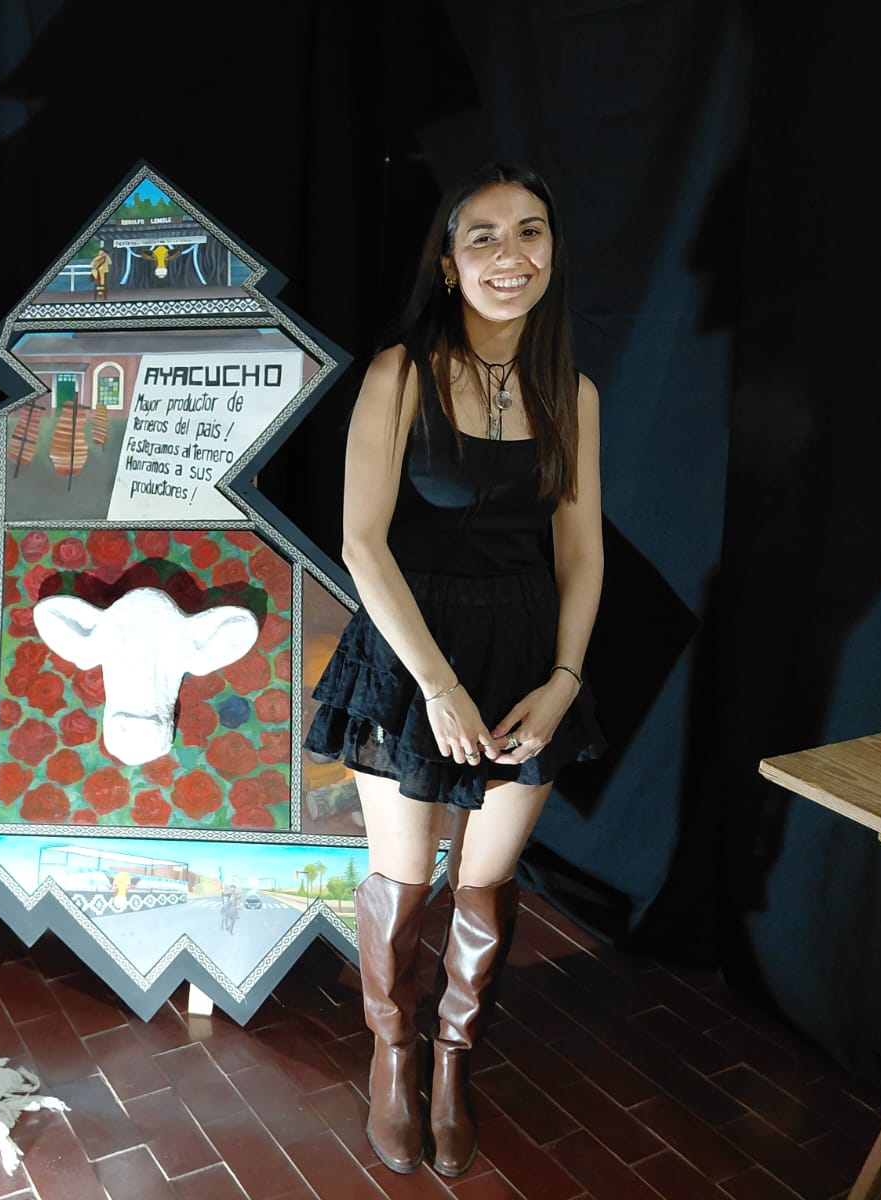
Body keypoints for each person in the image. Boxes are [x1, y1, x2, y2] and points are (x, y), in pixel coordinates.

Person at [304, 164, 605, 1178]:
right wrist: (436, 686)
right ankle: (392, 1055)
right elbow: (361, 543)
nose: (511, 255)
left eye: (531, 231)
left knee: (484, 879)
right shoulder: (401, 372)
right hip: (410, 656)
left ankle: (450, 1063)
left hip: (526, 655)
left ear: (551, 251)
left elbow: (580, 555)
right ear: (448, 264)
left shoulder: (572, 393)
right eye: (484, 237)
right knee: (404, 877)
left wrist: (564, 679)